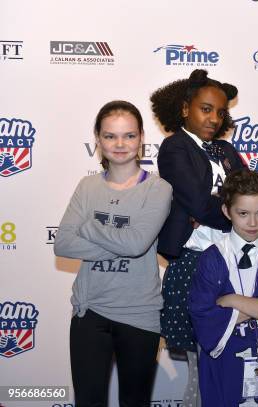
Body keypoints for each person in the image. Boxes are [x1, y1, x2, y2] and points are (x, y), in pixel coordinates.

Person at [54, 100, 172, 406]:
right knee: (88, 401)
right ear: (97, 138)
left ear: (141, 137)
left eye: (129, 136)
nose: (120, 144)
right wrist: (120, 242)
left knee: (135, 402)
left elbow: (137, 245)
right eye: (110, 136)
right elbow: (64, 243)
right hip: (89, 311)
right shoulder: (87, 186)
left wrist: (90, 226)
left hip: (139, 314)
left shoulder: (158, 189)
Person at [150, 69, 246, 406]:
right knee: (200, 364)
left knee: (227, 359)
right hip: (194, 263)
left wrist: (231, 209)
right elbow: (197, 201)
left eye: (220, 112)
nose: (214, 118)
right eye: (206, 109)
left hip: (234, 260)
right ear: (185, 109)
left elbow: (251, 193)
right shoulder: (175, 147)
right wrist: (237, 212)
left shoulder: (226, 150)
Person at [189, 169, 258, 407]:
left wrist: (230, 299)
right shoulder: (212, 257)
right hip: (224, 354)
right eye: (243, 213)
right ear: (226, 211)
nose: (252, 223)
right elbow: (203, 315)